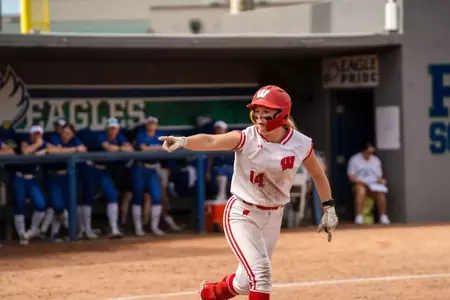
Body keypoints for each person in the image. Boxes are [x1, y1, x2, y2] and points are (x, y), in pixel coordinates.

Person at [159, 85, 339, 300]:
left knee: (244, 282)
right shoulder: (247, 137)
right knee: (262, 275)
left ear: (282, 114)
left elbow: (318, 175)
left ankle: (211, 293)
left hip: (273, 216)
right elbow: (212, 140)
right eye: (257, 111)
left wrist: (329, 208)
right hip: (243, 213)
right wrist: (184, 141)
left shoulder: (300, 143)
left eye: (266, 112)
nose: (260, 117)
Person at [86, 117, 133, 238]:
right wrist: (120, 149)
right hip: (90, 168)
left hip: (103, 170)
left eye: (115, 128)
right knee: (86, 198)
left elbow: (130, 149)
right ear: (107, 128)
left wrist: (119, 148)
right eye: (111, 128)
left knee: (112, 195)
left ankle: (114, 229)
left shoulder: (120, 136)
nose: (113, 131)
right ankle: (85, 229)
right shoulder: (101, 136)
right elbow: (108, 148)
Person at [14, 125, 58, 245]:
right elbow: (25, 151)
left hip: (32, 179)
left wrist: (45, 150)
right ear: (30, 134)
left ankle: (32, 230)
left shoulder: (44, 143)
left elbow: (56, 149)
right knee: (19, 205)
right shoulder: (25, 141)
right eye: (34, 133)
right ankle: (22, 235)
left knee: (41, 205)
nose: (36, 135)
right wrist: (38, 146)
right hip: (20, 177)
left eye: (38, 133)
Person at [45, 123, 87, 241]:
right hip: (54, 175)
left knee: (70, 204)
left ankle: (56, 233)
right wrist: (73, 150)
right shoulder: (55, 138)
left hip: (68, 176)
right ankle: (71, 229)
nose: (66, 134)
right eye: (64, 132)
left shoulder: (75, 139)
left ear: (73, 133)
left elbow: (83, 149)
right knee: (57, 205)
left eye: (69, 132)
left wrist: (63, 150)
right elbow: (52, 150)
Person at [347, 142, 391, 225]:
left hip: (373, 185)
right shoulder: (354, 159)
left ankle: (383, 216)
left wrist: (381, 181)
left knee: (381, 194)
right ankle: (359, 217)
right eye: (368, 151)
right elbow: (351, 177)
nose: (370, 154)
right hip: (359, 184)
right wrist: (361, 182)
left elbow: (378, 176)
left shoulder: (376, 160)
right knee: (361, 191)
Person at [205, 120, 234, 201]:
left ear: (225, 130)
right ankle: (222, 195)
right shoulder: (212, 142)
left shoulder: (231, 141)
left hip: (230, 168)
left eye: (221, 129)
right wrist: (207, 171)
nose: (219, 131)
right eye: (217, 129)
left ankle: (235, 197)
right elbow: (210, 159)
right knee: (221, 172)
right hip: (217, 168)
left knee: (235, 173)